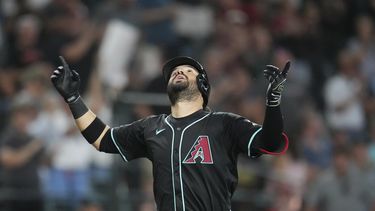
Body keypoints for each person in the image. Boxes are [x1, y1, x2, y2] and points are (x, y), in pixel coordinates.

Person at [51, 55, 290, 211]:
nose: (179, 71)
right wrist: (73, 98)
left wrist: (273, 102)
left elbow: (271, 142)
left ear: (203, 86)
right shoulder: (151, 127)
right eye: (175, 71)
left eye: (188, 70)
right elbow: (102, 139)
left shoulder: (224, 123)